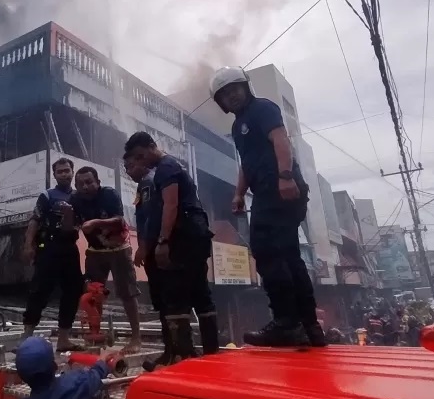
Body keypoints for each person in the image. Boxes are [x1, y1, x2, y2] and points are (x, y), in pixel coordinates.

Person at [209, 66, 325, 347]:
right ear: (221, 102)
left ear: (246, 87)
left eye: (235, 89)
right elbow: (247, 164)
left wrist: (285, 177)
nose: (231, 96)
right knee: (288, 255)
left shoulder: (262, 109)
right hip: (266, 193)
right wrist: (238, 194)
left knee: (266, 251)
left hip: (280, 189)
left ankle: (287, 323)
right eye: (225, 94)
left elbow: (281, 141)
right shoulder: (238, 127)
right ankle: (308, 325)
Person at [123, 131, 219, 362]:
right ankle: (205, 353)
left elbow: (168, 207)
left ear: (151, 147)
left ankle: (182, 354)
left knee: (176, 295)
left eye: (139, 157)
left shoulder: (164, 169)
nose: (140, 163)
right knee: (198, 292)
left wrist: (162, 242)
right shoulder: (164, 171)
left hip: (183, 236)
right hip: (192, 234)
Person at [70, 166, 142, 354]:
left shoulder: (109, 194)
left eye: (89, 182)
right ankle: (95, 335)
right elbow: (71, 225)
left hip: (119, 249)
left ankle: (136, 338)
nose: (85, 186)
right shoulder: (74, 200)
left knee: (128, 294)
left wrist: (96, 223)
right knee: (94, 294)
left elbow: (120, 220)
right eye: (80, 184)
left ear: (98, 183)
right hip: (94, 251)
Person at [22, 158, 85, 352]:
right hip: (48, 247)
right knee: (39, 291)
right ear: (55, 175)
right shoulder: (47, 195)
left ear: (72, 172)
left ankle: (63, 339)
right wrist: (28, 245)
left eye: (67, 170)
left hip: (69, 248)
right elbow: (34, 221)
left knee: (72, 292)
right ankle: (26, 338)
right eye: (60, 171)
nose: (65, 174)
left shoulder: (79, 196)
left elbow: (82, 223)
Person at [123, 154, 172, 368]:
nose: (128, 171)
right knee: (162, 302)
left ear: (142, 163)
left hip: (154, 248)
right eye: (126, 168)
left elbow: (151, 218)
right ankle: (170, 351)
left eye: (131, 165)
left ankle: (172, 353)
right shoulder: (143, 185)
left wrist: (143, 247)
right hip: (152, 247)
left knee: (166, 301)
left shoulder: (147, 183)